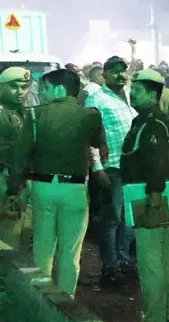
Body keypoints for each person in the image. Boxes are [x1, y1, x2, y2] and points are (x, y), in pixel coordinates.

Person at [8, 69, 105, 298]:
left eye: (46, 88)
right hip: (75, 189)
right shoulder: (90, 115)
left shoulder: (35, 114)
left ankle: (41, 301)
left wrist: (14, 188)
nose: (42, 93)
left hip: (42, 187)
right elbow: (99, 144)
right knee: (71, 252)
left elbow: (21, 156)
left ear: (59, 89)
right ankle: (67, 300)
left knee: (43, 248)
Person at [120, 69, 169, 322]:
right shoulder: (154, 120)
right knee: (164, 257)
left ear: (153, 94)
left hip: (149, 194)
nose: (132, 93)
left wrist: (154, 196)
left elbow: (157, 162)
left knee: (151, 262)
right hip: (159, 192)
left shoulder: (153, 123)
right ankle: (167, 316)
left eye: (138, 90)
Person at [84, 56, 138, 287]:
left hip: (130, 168)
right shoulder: (97, 99)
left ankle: (123, 261)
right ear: (104, 74)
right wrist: (97, 168)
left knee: (128, 219)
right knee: (112, 219)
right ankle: (110, 268)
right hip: (111, 168)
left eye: (123, 71)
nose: (120, 75)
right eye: (114, 71)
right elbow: (89, 136)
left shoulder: (128, 96)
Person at [0, 67, 31, 250]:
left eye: (24, 87)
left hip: (18, 181)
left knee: (14, 234)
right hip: (4, 180)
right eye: (14, 86)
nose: (20, 92)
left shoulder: (24, 113)